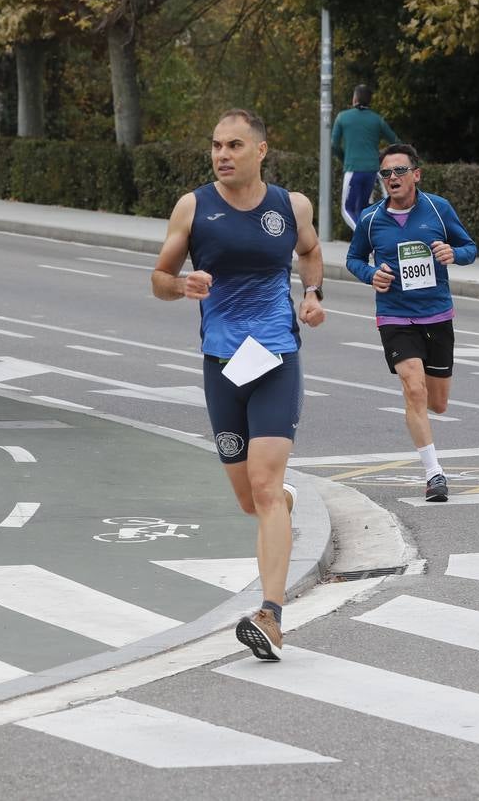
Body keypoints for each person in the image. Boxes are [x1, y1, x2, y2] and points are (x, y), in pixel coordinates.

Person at [151, 109, 326, 662]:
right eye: (215, 146)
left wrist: (314, 294)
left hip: (276, 356)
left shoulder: (291, 206)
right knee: (250, 498)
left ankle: (270, 615)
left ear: (261, 150)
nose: (221, 155)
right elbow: (158, 280)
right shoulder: (194, 206)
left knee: (266, 487)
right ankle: (284, 503)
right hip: (222, 363)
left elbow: (311, 251)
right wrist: (183, 285)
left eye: (233, 145)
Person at [345, 143, 476, 502]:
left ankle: (423, 417)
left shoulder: (438, 208)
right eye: (386, 174)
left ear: (415, 175)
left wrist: (454, 253)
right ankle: (434, 474)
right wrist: (371, 274)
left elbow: (470, 248)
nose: (392, 179)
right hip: (395, 315)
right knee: (413, 388)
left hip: (436, 314)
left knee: (438, 403)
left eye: (399, 172)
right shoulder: (371, 219)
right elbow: (353, 259)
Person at [331, 84, 398, 231]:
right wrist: (382, 158)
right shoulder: (377, 119)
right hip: (373, 171)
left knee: (347, 210)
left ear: (354, 98)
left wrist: (345, 160)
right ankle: (373, 241)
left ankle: (366, 239)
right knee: (363, 209)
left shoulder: (343, 117)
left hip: (353, 169)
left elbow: (334, 146)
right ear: (370, 101)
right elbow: (395, 141)